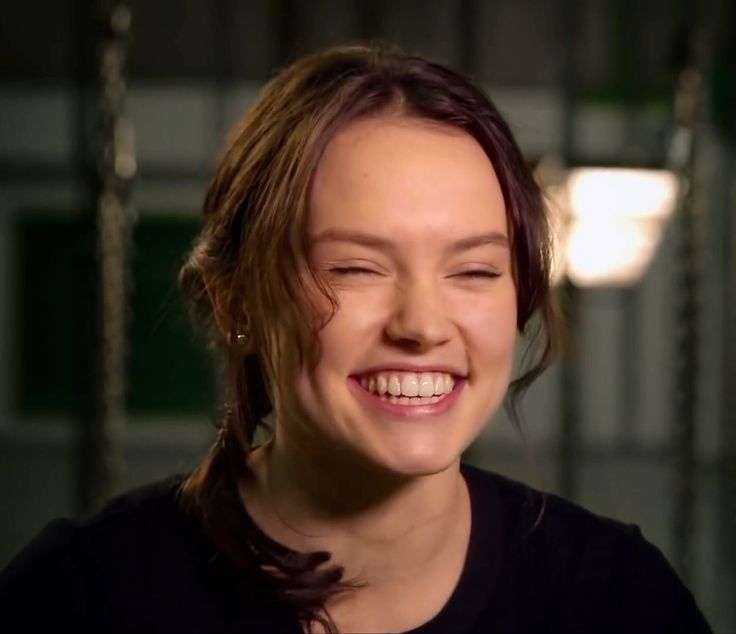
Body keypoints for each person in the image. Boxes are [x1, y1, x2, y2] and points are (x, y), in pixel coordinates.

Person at [0, 44, 710, 634]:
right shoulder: (83, 599)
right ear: (234, 300)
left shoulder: (616, 599)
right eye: (355, 268)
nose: (423, 325)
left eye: (473, 270)